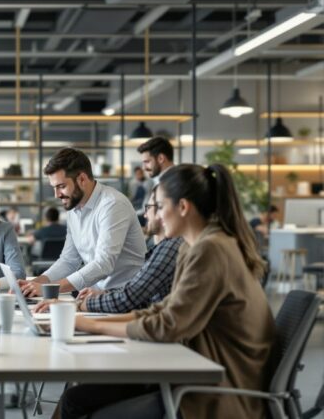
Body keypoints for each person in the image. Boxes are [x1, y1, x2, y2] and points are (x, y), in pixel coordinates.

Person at [56, 164, 275, 419]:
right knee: (77, 396)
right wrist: (80, 322)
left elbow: (168, 325)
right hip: (192, 369)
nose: (155, 217)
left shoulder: (211, 249)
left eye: (159, 207)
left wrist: (92, 326)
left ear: (183, 207)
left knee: (81, 402)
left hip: (216, 388)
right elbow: (164, 310)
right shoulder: (193, 246)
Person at [37, 184, 183, 314]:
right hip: (138, 316)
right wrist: (104, 294)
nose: (145, 215)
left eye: (152, 207)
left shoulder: (170, 248)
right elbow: (140, 294)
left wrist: (75, 306)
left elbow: (129, 298)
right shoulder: (161, 249)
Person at [19, 148, 146, 297]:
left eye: (61, 186)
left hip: (126, 298)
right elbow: (69, 260)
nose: (57, 195)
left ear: (82, 179)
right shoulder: (74, 208)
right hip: (95, 296)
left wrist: (49, 288)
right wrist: (35, 283)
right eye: (54, 188)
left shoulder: (112, 205)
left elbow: (103, 264)